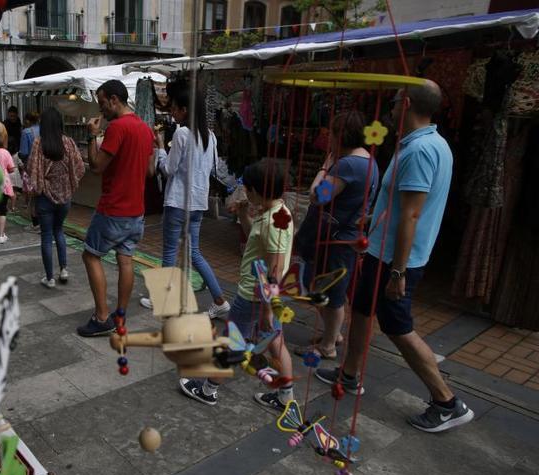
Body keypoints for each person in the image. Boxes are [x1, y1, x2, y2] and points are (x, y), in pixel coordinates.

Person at [315, 81, 473, 433]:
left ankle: (447, 401)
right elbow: (401, 208)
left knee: (398, 327)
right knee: (360, 311)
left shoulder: (419, 151)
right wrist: (373, 220)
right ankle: (350, 374)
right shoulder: (430, 144)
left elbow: (413, 216)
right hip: (380, 252)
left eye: (394, 100)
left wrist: (397, 271)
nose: (389, 106)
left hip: (394, 260)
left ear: (408, 103)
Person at [180, 160, 296, 410]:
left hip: (254, 297)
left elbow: (273, 270)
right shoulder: (278, 214)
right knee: (276, 342)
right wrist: (244, 214)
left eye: (248, 189)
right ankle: (286, 396)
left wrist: (265, 309)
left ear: (257, 190)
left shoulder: (273, 222)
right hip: (264, 297)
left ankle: (208, 389)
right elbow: (258, 239)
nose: (246, 194)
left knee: (232, 342)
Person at [290, 110, 379, 359]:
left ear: (341, 136)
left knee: (331, 292)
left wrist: (324, 168)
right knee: (324, 287)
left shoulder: (347, 164)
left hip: (336, 239)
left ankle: (328, 344)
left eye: (332, 134)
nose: (328, 140)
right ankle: (332, 333)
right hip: (346, 237)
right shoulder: (370, 161)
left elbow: (318, 196)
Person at [138, 81, 230, 319]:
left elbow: (168, 169)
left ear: (185, 110)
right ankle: (219, 300)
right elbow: (211, 169)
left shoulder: (181, 133)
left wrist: (159, 148)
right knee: (195, 253)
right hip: (198, 203)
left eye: (175, 108)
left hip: (178, 201)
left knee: (169, 251)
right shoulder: (210, 136)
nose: (172, 112)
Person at [78, 79, 155, 337]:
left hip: (114, 209)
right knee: (125, 259)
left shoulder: (117, 128)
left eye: (102, 104)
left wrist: (91, 136)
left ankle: (102, 317)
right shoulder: (145, 129)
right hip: (137, 211)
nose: (102, 110)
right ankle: (119, 316)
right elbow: (150, 171)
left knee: (90, 255)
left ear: (114, 99)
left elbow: (97, 167)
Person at [27, 107, 86, 288]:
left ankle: (50, 278)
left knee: (46, 236)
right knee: (59, 230)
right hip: (65, 197)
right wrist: (67, 183)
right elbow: (79, 167)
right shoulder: (68, 142)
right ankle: (64, 269)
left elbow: (31, 168)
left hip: (45, 196)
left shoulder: (39, 143)